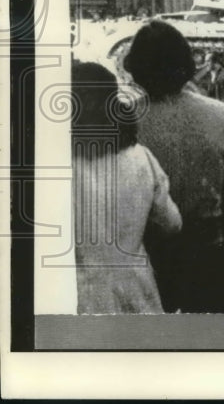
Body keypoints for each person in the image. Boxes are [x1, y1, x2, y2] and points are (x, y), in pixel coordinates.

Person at [125, 20, 224, 313]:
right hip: (205, 254)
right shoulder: (220, 115)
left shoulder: (127, 119)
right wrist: (217, 254)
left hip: (151, 256)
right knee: (207, 354)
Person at [72, 62, 182, 314]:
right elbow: (172, 223)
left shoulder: (56, 166)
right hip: (136, 294)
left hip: (80, 297)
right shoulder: (141, 157)